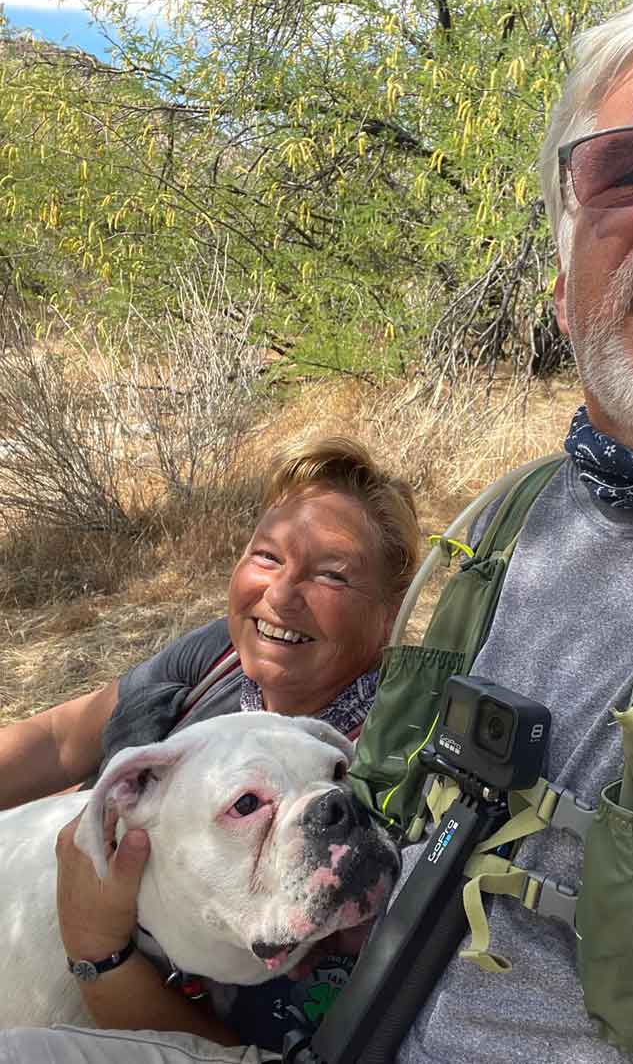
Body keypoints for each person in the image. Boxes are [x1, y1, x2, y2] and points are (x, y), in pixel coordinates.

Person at [5, 0, 633, 1059]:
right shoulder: (501, 527)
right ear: (561, 293)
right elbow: (66, 734)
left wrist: (104, 956)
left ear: (378, 615)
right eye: (626, 166)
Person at [0, 436, 419, 1055]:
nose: (280, 596)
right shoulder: (221, 660)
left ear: (391, 615)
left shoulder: (398, 752)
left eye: (331, 574)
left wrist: (96, 947)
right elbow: (62, 738)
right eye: (268, 556)